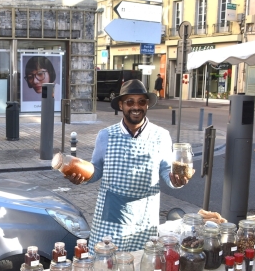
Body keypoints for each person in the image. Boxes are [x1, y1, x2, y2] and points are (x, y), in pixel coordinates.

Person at [67, 79, 189, 252]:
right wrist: (82, 177)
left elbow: (165, 169)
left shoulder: (161, 136)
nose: (136, 107)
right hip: (110, 217)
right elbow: (97, 169)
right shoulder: (106, 135)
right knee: (105, 266)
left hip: (144, 217)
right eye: (129, 102)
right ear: (121, 105)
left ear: (147, 105)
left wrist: (175, 181)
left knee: (139, 266)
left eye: (141, 102)